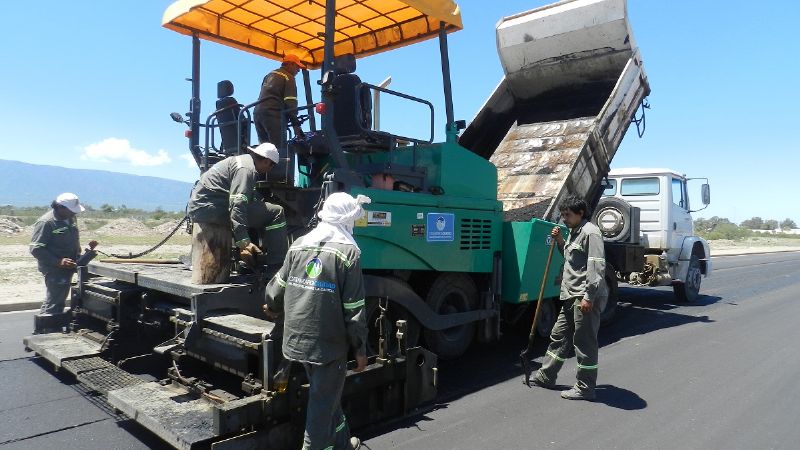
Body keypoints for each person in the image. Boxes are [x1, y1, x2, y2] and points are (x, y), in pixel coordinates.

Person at [263, 192, 370, 450]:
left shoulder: (298, 244)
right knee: (322, 407)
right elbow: (354, 310)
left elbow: (277, 287)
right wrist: (360, 349)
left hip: (297, 341)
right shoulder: (348, 253)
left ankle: (343, 445)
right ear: (345, 220)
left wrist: (272, 305)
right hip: (327, 347)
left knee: (327, 396)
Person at [532, 194, 608, 401]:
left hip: (583, 297)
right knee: (558, 336)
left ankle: (585, 387)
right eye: (563, 214)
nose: (564, 218)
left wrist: (589, 297)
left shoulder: (591, 233)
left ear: (581, 213)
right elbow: (571, 259)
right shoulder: (575, 232)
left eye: (568, 215)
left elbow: (596, 266)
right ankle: (546, 375)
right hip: (570, 296)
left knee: (584, 342)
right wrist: (559, 241)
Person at [187, 142, 286, 284]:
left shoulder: (242, 161)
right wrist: (243, 243)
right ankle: (276, 269)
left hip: (204, 207)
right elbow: (238, 205)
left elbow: (246, 199)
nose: (269, 170)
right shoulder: (247, 170)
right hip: (211, 209)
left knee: (257, 206)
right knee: (277, 212)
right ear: (266, 161)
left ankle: (250, 261)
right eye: (271, 166)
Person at [29, 193, 97, 332]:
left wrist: (84, 251)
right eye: (71, 210)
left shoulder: (70, 218)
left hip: (71, 264)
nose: (74, 213)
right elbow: (36, 249)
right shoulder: (46, 223)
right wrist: (58, 262)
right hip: (54, 269)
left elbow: (70, 239)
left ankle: (45, 328)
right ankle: (48, 333)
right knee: (55, 301)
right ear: (60, 207)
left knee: (60, 297)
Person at [254, 53, 306, 146]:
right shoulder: (288, 77)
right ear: (291, 64)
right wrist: (296, 125)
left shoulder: (269, 75)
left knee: (265, 151)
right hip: (273, 115)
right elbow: (291, 103)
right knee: (279, 150)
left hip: (258, 114)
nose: (298, 70)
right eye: (297, 66)